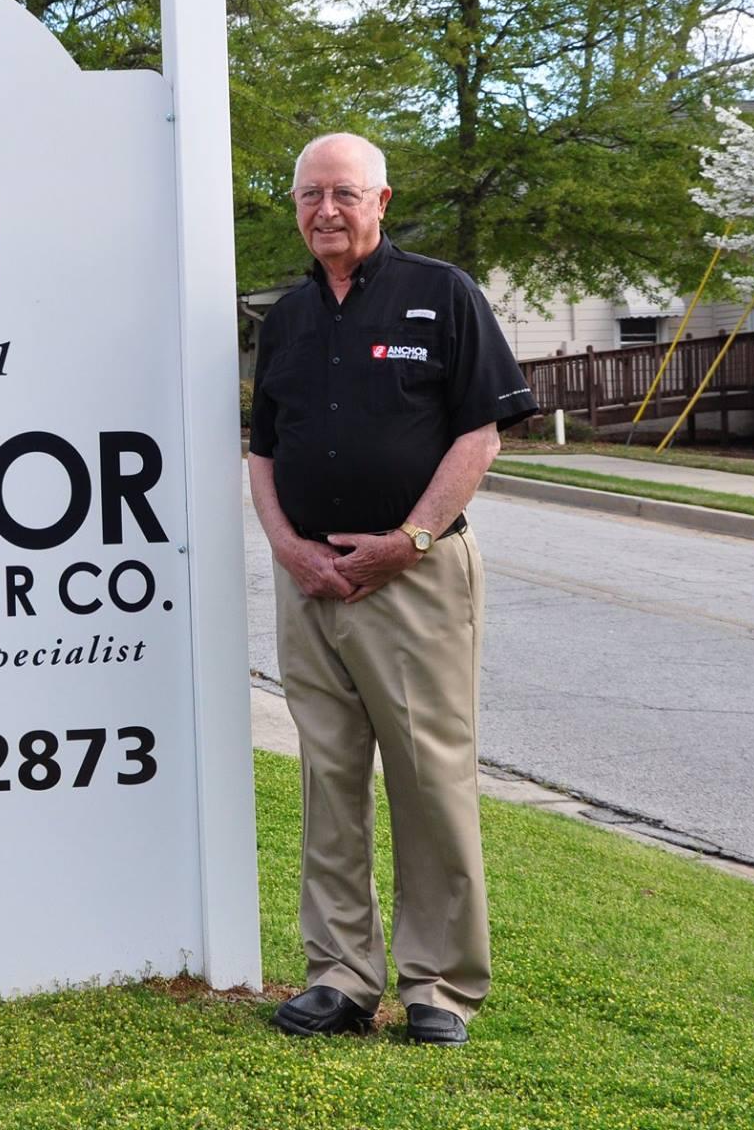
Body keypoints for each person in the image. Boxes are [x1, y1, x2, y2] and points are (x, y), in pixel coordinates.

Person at [247, 132, 537, 1047]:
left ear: (381, 200)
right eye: (308, 196)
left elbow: (480, 434)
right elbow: (262, 450)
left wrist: (408, 542)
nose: (324, 211)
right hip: (312, 585)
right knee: (328, 778)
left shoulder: (442, 294)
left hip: (412, 578)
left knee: (429, 777)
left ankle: (439, 988)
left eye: (342, 193)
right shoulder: (285, 317)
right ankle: (338, 975)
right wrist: (290, 549)